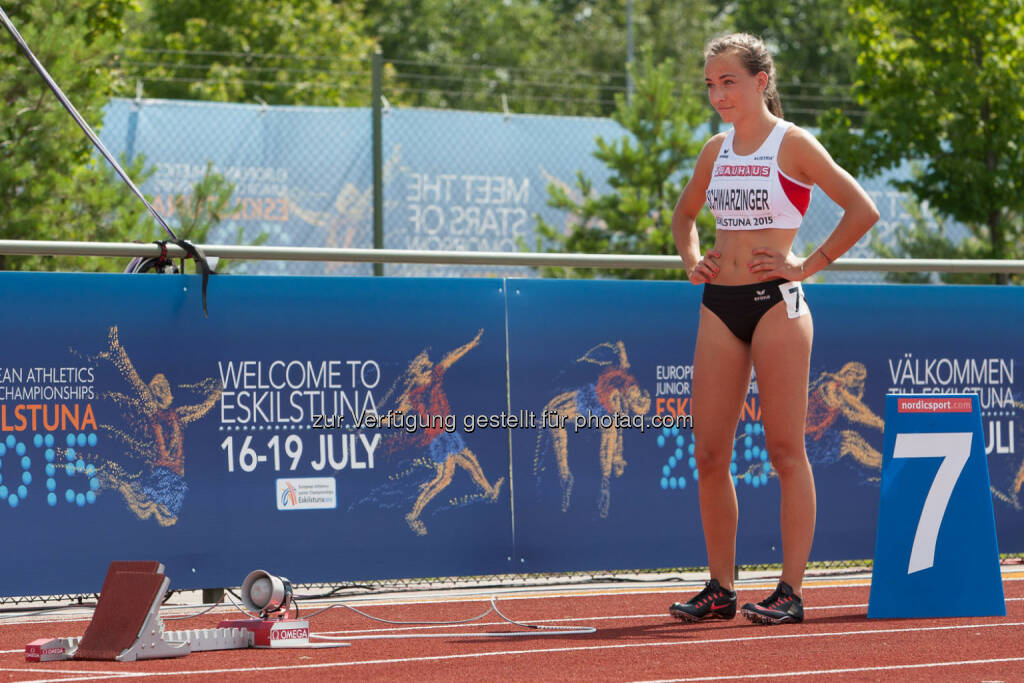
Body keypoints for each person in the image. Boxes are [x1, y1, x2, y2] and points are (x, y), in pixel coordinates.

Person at [667, 33, 879, 625]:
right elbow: (685, 216)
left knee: (786, 450)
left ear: (761, 81)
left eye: (727, 80)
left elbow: (862, 209)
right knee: (710, 453)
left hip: (776, 306)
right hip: (718, 305)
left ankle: (790, 590)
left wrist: (807, 265)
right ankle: (720, 588)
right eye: (710, 83)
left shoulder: (795, 145)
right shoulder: (716, 149)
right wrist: (692, 261)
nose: (717, 93)